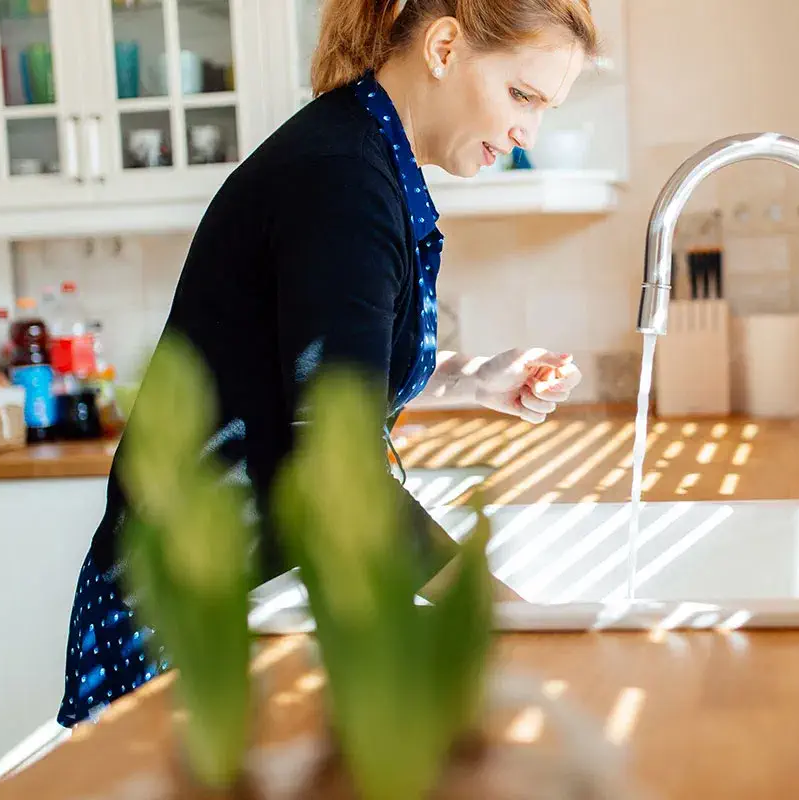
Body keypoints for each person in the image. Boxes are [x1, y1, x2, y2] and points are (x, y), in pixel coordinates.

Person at [56, 0, 598, 728]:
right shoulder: (343, 181)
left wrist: (472, 378)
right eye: (522, 95)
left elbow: (315, 374)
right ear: (443, 47)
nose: (526, 131)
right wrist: (508, 613)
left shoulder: (358, 153)